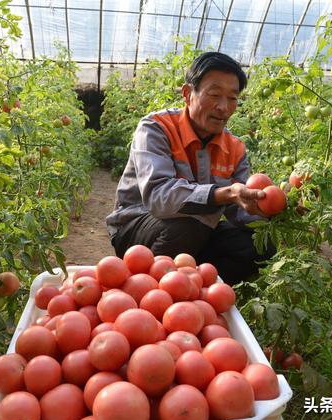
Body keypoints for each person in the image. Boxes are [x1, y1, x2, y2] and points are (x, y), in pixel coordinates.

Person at [106, 52, 276, 284]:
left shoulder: (234, 148)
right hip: (138, 228)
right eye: (214, 95)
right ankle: (145, 293)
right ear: (187, 94)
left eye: (233, 98)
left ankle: (197, 293)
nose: (223, 107)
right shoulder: (156, 128)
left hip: (196, 232)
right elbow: (158, 197)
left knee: (260, 243)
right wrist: (223, 194)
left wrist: (272, 209)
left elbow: (240, 212)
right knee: (189, 223)